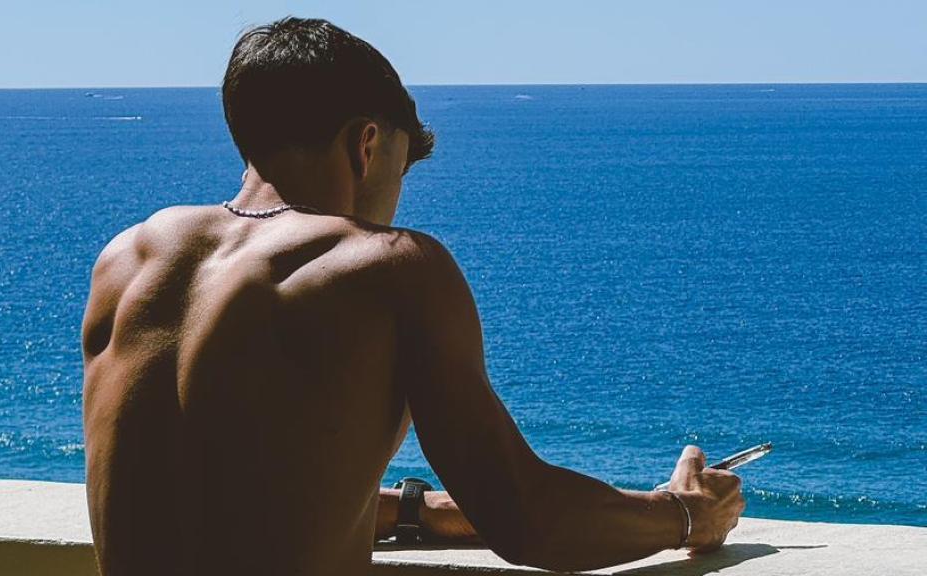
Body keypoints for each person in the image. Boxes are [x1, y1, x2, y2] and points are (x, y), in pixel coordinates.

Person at [81, 17, 744, 576]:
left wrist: (412, 510)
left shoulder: (128, 261)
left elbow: (220, 485)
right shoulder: (390, 265)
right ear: (365, 145)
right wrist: (687, 514)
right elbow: (527, 518)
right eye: (400, 170)